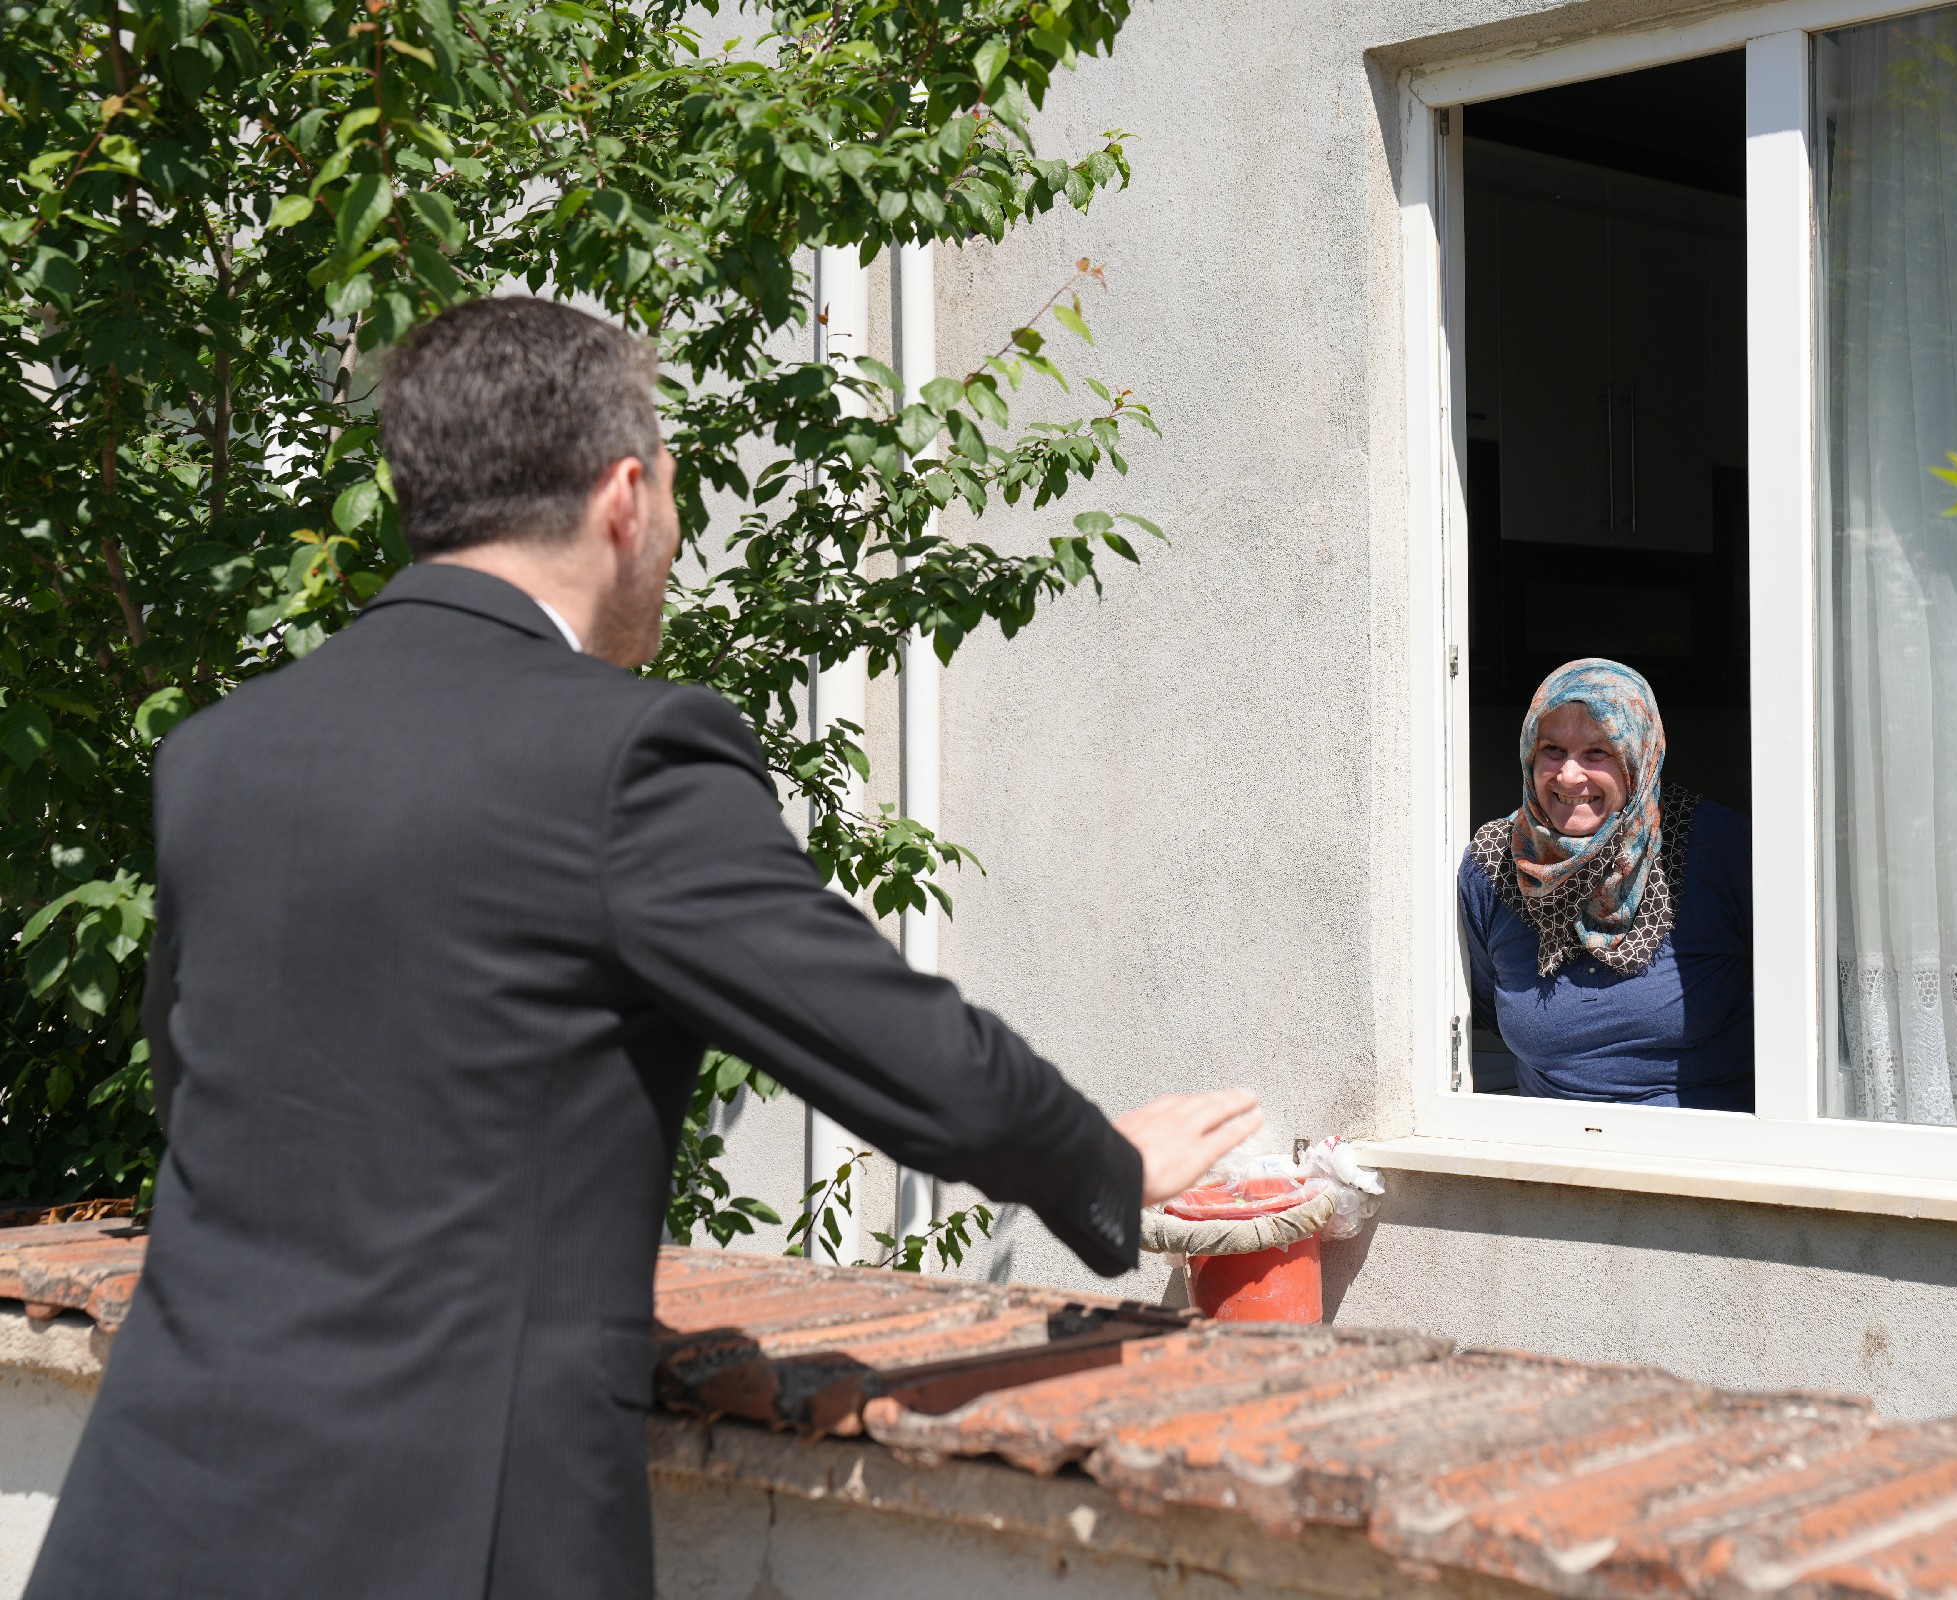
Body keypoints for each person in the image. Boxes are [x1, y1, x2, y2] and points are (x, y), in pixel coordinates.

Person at [27, 297, 1261, 1600]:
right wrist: (1105, 1165)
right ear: (626, 498)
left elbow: (199, 1084)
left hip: (142, 1521)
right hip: (447, 1544)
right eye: (672, 488)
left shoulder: (222, 755)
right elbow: (894, 1046)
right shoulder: (621, 753)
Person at [1460, 658, 1753, 1109]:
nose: (1569, 776)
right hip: (1548, 1156)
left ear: (1639, 756)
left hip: (1701, 1157)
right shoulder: (1495, 862)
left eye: (1597, 752)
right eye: (1551, 750)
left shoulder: (1722, 849)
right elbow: (1483, 1003)